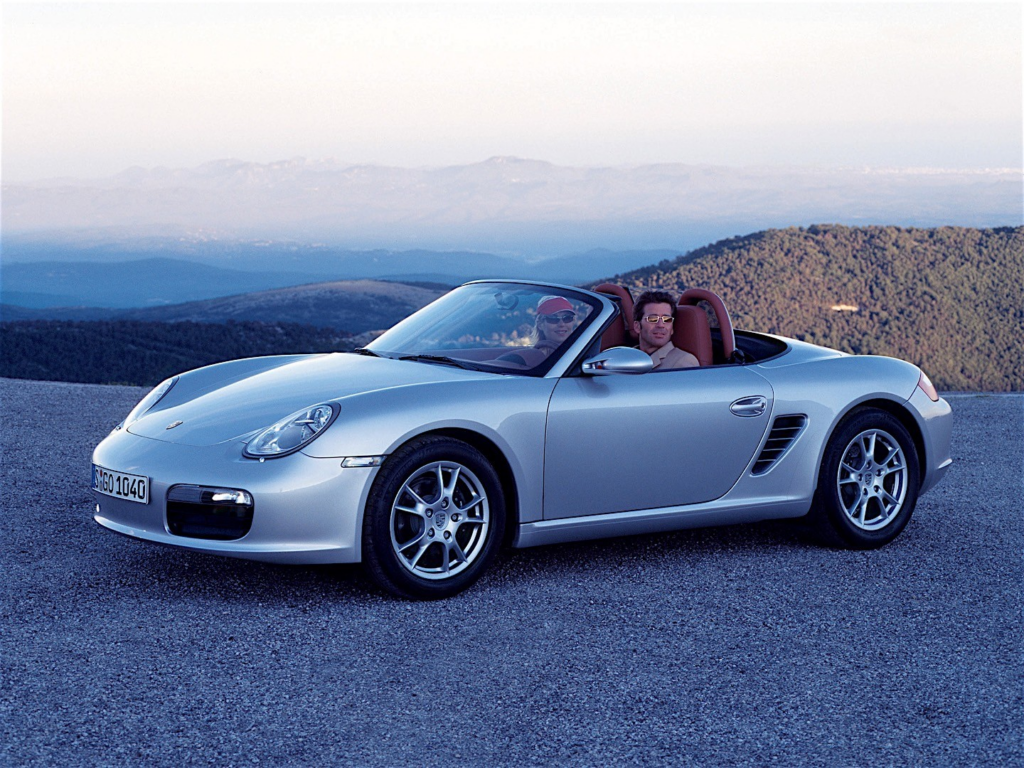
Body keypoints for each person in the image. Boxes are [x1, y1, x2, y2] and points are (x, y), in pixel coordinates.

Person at [632, 290, 699, 370]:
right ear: (637, 326)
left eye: (667, 319)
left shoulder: (683, 361)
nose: (661, 325)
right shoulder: (626, 356)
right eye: (653, 319)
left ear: (672, 328)